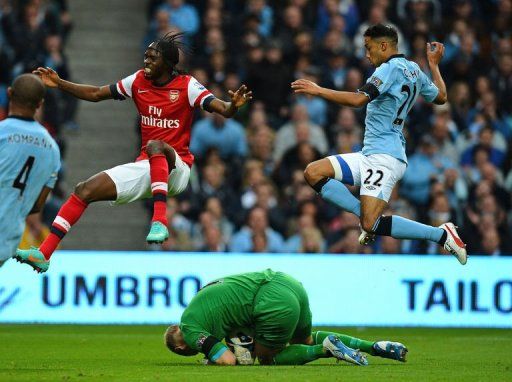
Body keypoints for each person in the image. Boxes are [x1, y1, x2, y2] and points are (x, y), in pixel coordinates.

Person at [15, 32, 252, 273]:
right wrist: (60, 83)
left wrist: (234, 106)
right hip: (149, 167)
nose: (146, 62)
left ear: (168, 64)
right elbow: (97, 94)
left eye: (152, 58)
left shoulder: (187, 86)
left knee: (155, 145)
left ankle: (159, 220)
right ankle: (43, 253)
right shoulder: (138, 81)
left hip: (177, 168)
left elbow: (223, 109)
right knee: (83, 189)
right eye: (145, 57)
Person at [291, 24, 467, 264]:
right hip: (370, 154)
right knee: (313, 172)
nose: (366, 53)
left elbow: (357, 100)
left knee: (370, 223)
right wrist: (434, 66)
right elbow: (441, 97)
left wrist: (318, 90)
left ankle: (441, 235)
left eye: (369, 47)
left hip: (384, 157)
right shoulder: (414, 69)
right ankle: (364, 215)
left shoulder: (388, 68)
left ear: (384, 45)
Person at [164, 269, 407, 366]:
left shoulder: (191, 329)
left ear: (180, 344)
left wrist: (213, 358)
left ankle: (327, 350)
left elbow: (228, 360)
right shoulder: (203, 300)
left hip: (271, 302)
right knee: (306, 339)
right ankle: (375, 346)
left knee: (268, 357)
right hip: (289, 284)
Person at [1, 74, 60, 270]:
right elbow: (37, 206)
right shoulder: (52, 149)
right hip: (8, 240)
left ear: (10, 93)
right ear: (40, 103)